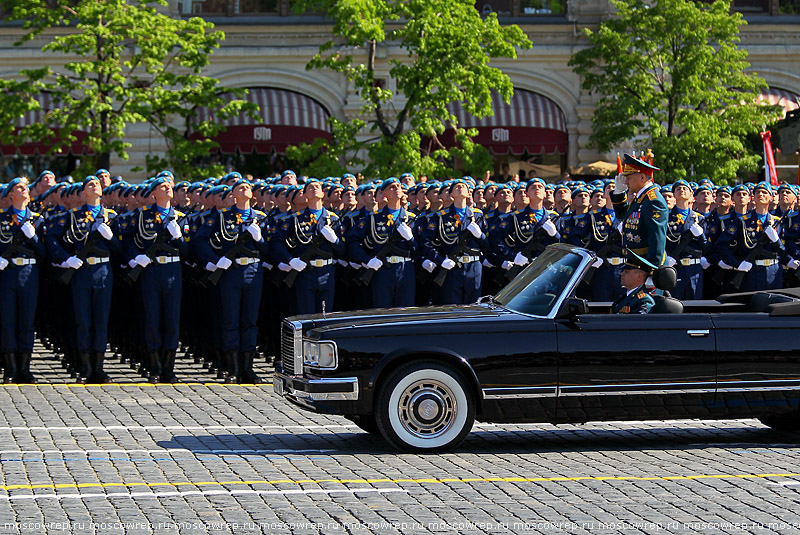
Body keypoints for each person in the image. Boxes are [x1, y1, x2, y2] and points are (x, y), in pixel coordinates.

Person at [45, 175, 121, 383]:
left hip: (103, 269)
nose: (94, 185)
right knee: (83, 320)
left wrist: (110, 237)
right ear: (83, 193)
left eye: (97, 183)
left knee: (101, 320)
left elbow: (120, 249)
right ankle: (86, 367)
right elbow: (52, 238)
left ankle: (99, 367)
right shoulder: (73, 216)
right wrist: (65, 259)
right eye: (90, 184)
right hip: (81, 270)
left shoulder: (111, 217)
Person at [193, 178, 268, 383]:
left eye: (248, 187)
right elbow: (200, 239)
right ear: (233, 195)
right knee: (230, 319)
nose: (245, 189)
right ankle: (233, 367)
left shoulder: (260, 218)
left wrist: (260, 239)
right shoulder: (222, 216)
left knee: (250, 320)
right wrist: (215, 261)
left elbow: (269, 250)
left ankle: (248, 368)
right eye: (240, 187)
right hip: (230, 271)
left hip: (253, 270)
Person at [119, 176, 188, 383]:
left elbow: (187, 251)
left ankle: (169, 368)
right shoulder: (141, 216)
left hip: (173, 270)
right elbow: (129, 242)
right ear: (153, 194)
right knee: (152, 318)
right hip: (151, 269)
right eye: (162, 186)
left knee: (172, 320)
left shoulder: (180, 217)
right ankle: (155, 366)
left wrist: (178, 237)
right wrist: (135, 257)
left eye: (169, 186)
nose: (168, 188)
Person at [0, 177, 46, 383]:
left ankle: (25, 368)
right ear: (11, 195)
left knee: (27, 320)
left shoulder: (36, 220)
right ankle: (10, 368)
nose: (25, 190)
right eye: (19, 188)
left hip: (28, 271)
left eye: (26, 187)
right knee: (8, 320)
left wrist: (33, 237)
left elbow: (44, 252)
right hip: (8, 272)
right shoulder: (1, 219)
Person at [347, 177, 417, 308]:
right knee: (383, 311)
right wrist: (367, 260)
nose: (396, 188)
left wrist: (410, 239)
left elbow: (420, 249)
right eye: (392, 187)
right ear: (384, 194)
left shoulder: (411, 218)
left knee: (405, 312)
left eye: (398, 186)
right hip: (383, 269)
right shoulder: (373, 218)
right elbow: (352, 240)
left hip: (406, 270)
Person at [712, 181, 785, 292]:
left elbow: (784, 251)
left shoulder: (777, 221)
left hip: (774, 271)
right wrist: (738, 264)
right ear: (753, 198)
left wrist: (776, 241)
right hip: (752, 271)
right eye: (758, 192)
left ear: (771, 198)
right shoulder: (742, 221)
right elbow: (722, 245)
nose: (761, 194)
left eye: (764, 192)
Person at [609, 153, 668, 267]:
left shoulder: (653, 201)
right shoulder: (641, 197)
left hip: (644, 264)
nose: (626, 182)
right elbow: (623, 215)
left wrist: (651, 271)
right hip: (635, 262)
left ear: (642, 177)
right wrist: (618, 192)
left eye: (629, 178)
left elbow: (656, 241)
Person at [665, 180, 706, 300]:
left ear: (691, 195)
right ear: (674, 195)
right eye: (678, 189)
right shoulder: (666, 217)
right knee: (674, 304)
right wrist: (666, 257)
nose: (682, 190)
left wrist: (700, 235)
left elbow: (706, 247)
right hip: (675, 266)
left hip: (694, 270)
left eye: (685, 189)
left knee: (694, 305)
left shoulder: (699, 218)